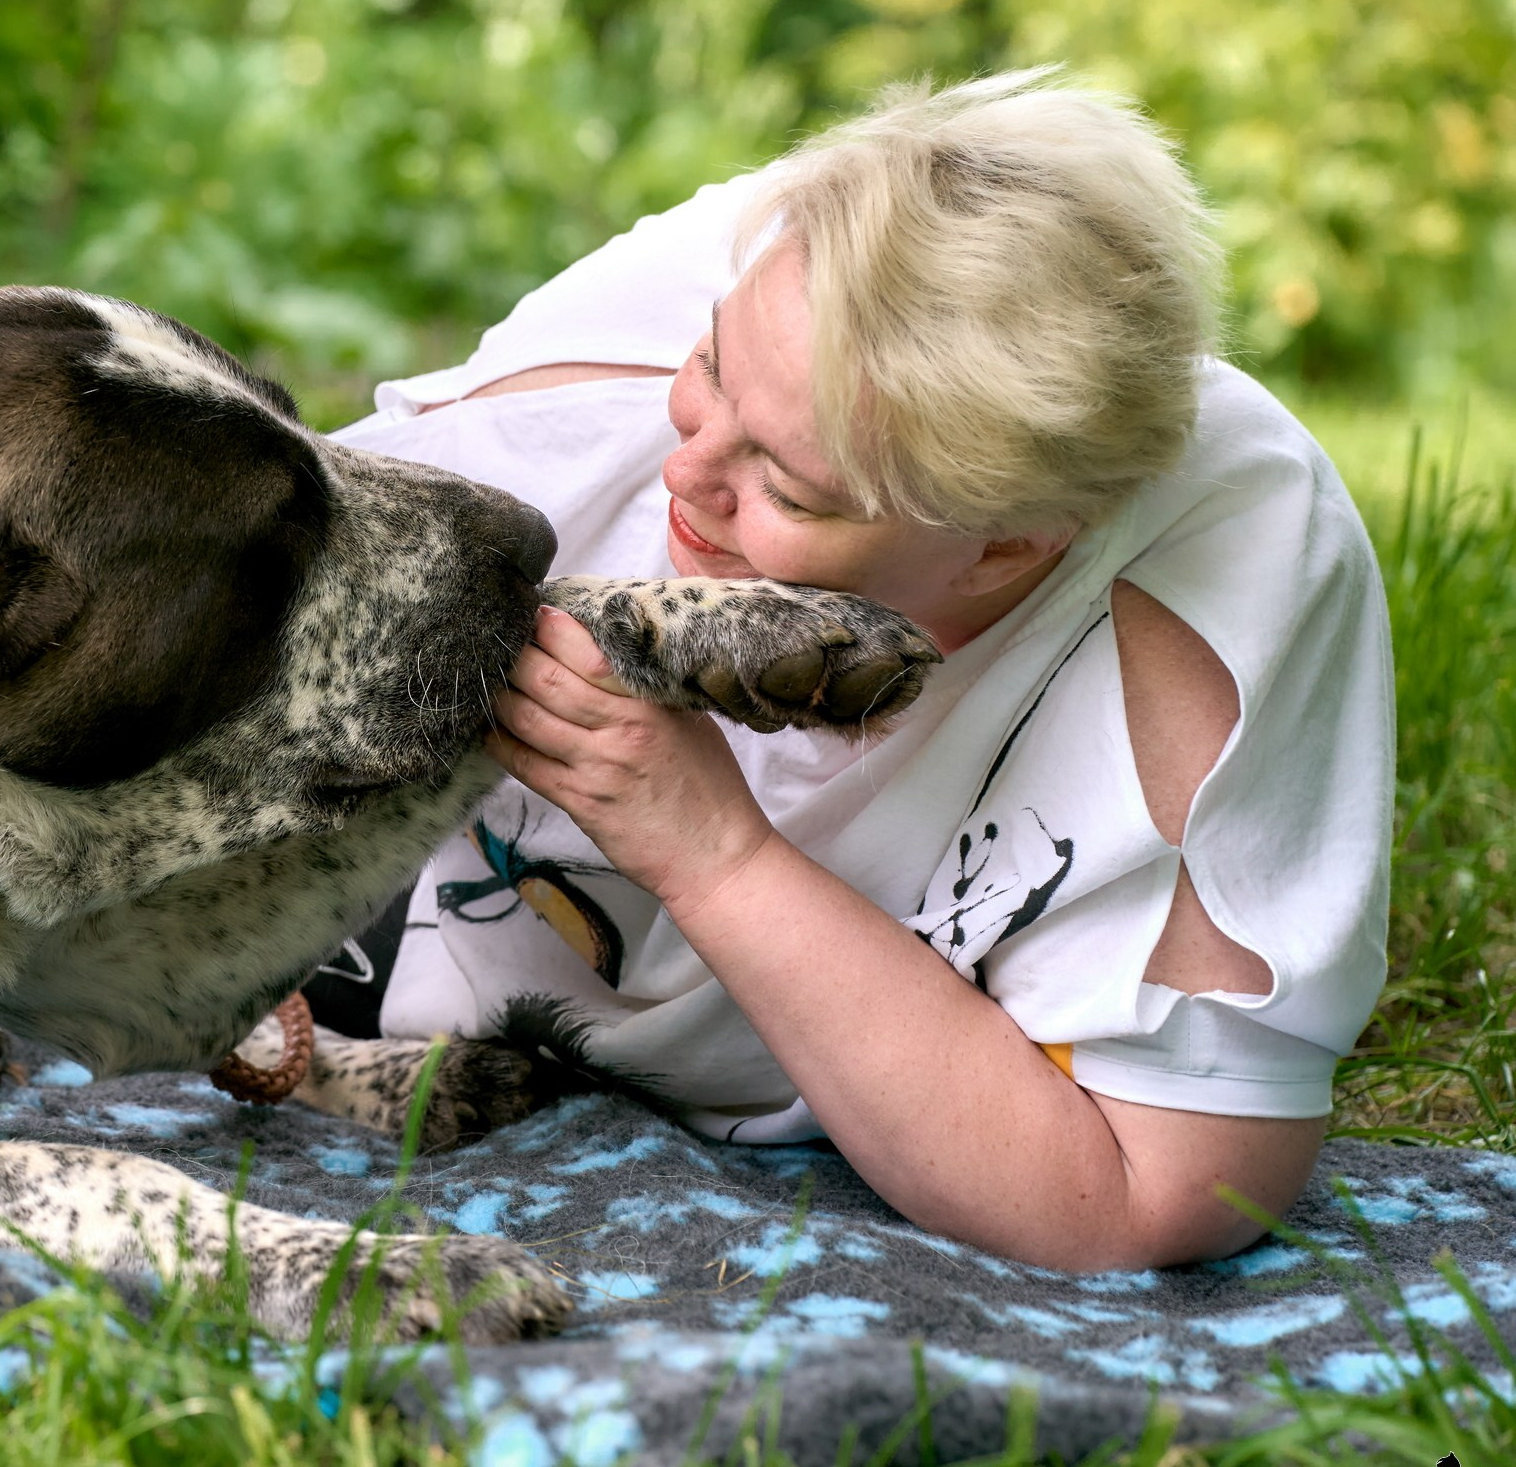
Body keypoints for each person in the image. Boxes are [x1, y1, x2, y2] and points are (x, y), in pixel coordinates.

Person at [317, 69, 1393, 1272]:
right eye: (711, 368)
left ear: (1008, 546)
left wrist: (712, 857)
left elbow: (1151, 1202)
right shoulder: (734, 296)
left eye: (787, 488)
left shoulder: (1220, 593)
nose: (688, 474)